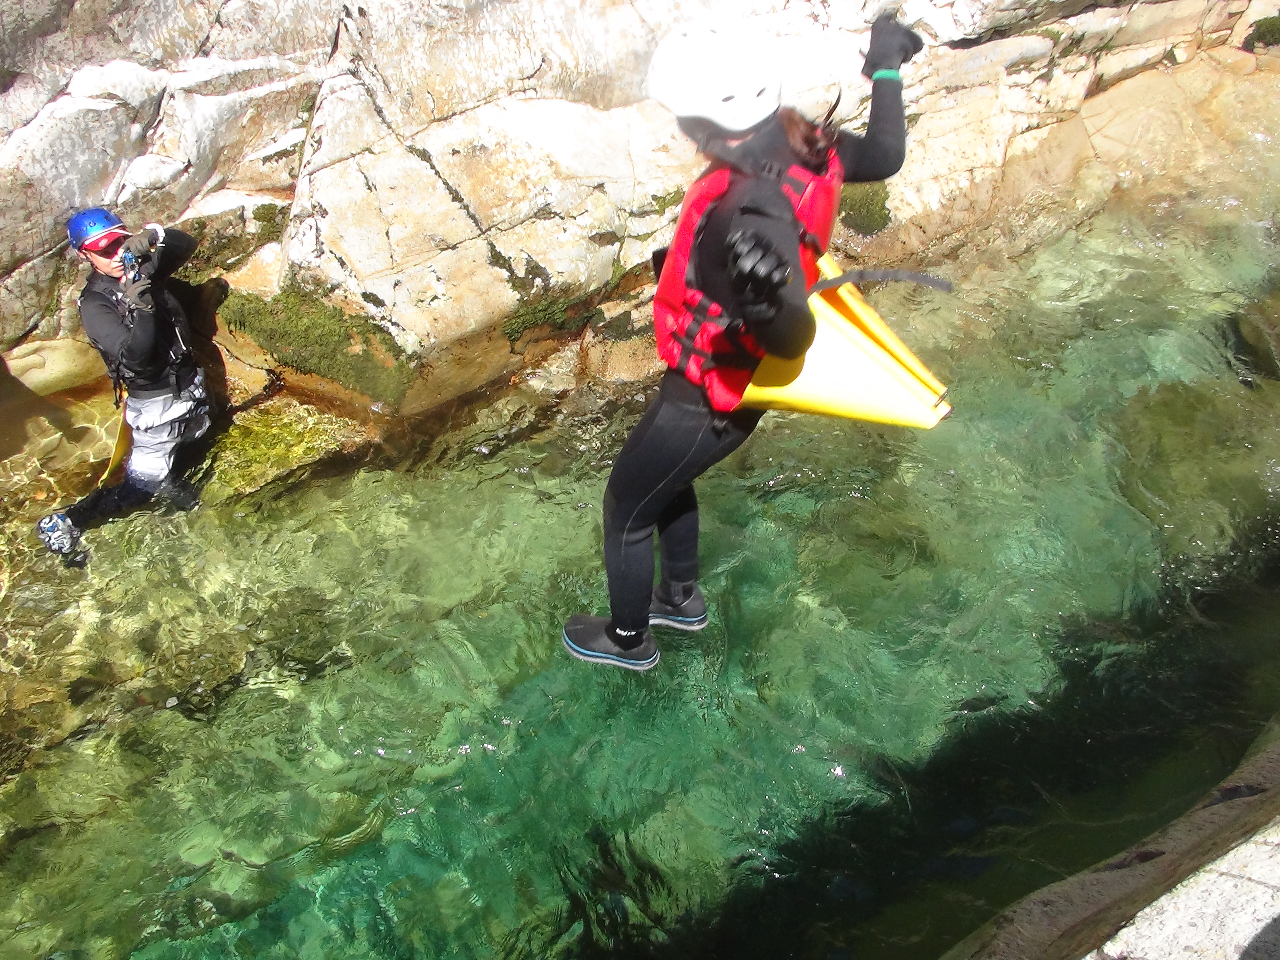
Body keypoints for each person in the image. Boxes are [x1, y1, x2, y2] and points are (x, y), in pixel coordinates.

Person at [561, 16, 924, 669]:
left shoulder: (743, 213)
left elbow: (791, 341)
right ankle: (679, 599)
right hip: (736, 391)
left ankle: (627, 641)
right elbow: (887, 154)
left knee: (626, 508)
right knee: (667, 481)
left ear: (699, 125)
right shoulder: (810, 143)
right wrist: (887, 66)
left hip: (706, 399)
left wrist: (764, 299)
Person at [36, 208, 212, 561]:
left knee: (197, 441)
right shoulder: (95, 304)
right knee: (143, 487)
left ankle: (179, 478)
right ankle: (66, 520)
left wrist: (152, 237)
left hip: (189, 383)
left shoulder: (139, 267)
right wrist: (142, 310)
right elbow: (136, 359)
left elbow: (186, 244)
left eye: (118, 243)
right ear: (85, 256)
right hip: (157, 403)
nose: (115, 255)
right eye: (103, 250)